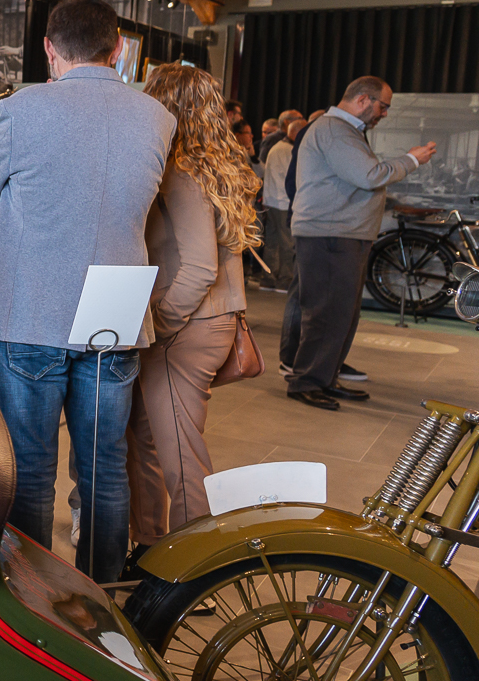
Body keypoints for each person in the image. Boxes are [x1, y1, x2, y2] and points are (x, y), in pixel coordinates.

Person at [0, 0, 176, 583]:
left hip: (35, 302)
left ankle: (33, 596)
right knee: (105, 465)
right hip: (117, 299)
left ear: (50, 50)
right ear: (118, 49)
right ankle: (102, 593)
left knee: (30, 466)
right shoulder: (157, 116)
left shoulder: (24, 108)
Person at [126, 65, 258, 546]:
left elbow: (200, 267)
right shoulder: (214, 162)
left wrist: (157, 322)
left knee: (181, 454)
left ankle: (192, 569)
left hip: (186, 325)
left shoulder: (182, 170)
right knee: (144, 441)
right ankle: (146, 549)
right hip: (205, 320)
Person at [280, 77, 436, 409]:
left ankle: (323, 377)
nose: (384, 114)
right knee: (325, 313)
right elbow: (369, 175)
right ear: (363, 99)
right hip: (329, 234)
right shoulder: (335, 129)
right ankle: (305, 382)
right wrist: (411, 160)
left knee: (341, 314)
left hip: (341, 234)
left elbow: (356, 180)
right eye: (383, 106)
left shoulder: (344, 131)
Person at [260, 117, 303, 292]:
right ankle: (285, 280)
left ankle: (268, 279)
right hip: (284, 202)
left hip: (270, 200)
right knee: (287, 243)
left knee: (271, 242)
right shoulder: (290, 151)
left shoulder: (276, 148)